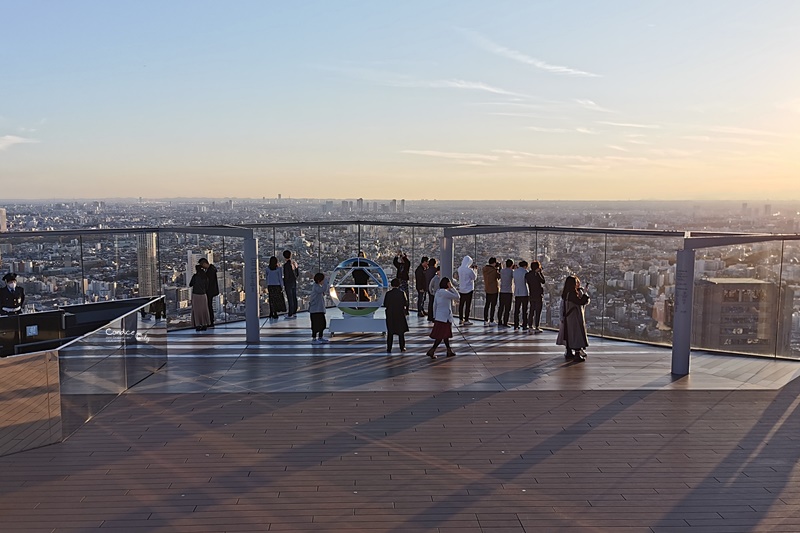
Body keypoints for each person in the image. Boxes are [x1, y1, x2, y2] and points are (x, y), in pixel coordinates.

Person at [556, 275, 590, 362]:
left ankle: (569, 351)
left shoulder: (566, 294)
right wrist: (585, 293)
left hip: (567, 317)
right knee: (576, 334)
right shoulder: (573, 294)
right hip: (574, 317)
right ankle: (577, 354)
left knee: (568, 334)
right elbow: (581, 302)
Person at [427, 277, 459, 359]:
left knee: (444, 335)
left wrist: (434, 316)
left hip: (439, 316)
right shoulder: (445, 293)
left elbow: (435, 305)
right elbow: (457, 296)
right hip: (445, 317)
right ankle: (432, 350)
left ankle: (448, 350)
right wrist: (452, 287)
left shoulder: (438, 292)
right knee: (442, 335)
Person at [384, 278, 409, 353]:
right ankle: (402, 347)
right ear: (399, 285)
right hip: (399, 314)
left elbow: (385, 304)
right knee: (401, 332)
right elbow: (406, 303)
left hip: (390, 314)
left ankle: (389, 348)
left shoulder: (388, 294)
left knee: (390, 332)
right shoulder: (402, 293)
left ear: (391, 285)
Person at [309, 272, 330, 344]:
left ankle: (320, 337)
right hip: (315, 310)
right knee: (316, 325)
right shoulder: (316, 287)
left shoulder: (317, 286)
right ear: (319, 280)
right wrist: (326, 282)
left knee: (322, 324)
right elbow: (323, 289)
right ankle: (314, 339)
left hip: (318, 310)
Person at [189, 265, 211, 331]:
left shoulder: (195, 277)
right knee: (204, 310)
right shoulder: (206, 277)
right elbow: (207, 287)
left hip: (196, 295)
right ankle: (205, 324)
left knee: (196, 311)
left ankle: (198, 325)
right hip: (203, 295)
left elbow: (190, 284)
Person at [526, 261, 546, 333]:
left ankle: (530, 325)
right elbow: (543, 281)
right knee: (538, 311)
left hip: (531, 294)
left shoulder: (528, 275)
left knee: (531, 310)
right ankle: (537, 326)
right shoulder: (537, 274)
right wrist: (540, 273)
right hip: (538, 295)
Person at [456, 255, 477, 326]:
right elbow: (474, 278)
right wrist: (475, 270)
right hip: (469, 289)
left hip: (461, 289)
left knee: (461, 305)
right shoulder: (469, 270)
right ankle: (466, 319)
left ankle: (460, 319)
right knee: (468, 305)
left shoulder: (459, 269)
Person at [198, 258, 219, 327]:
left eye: (202, 265)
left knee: (209, 306)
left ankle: (210, 321)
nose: (202, 266)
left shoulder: (210, 271)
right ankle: (209, 321)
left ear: (204, 263)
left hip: (209, 291)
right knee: (209, 306)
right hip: (211, 290)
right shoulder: (212, 269)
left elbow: (208, 281)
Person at [482, 257, 500, 325]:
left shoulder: (485, 269)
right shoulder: (494, 270)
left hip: (487, 289)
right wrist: (498, 268)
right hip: (494, 290)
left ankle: (485, 320)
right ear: (494, 263)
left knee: (487, 305)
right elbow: (499, 277)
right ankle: (492, 320)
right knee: (493, 306)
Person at [513, 260, 530, 330]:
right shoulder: (525, 272)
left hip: (517, 292)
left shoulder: (515, 272)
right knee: (524, 310)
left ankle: (516, 324)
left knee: (517, 310)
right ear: (525, 266)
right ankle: (524, 324)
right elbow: (527, 281)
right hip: (524, 292)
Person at [282, 250, 299, 319]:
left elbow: (286, 276)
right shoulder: (294, 263)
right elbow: (297, 273)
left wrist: (284, 282)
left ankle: (290, 314)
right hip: (294, 281)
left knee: (290, 298)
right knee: (294, 297)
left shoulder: (286, 265)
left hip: (288, 283)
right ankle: (294, 312)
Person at [498, 259, 514, 327]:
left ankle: (499, 321)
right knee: (507, 308)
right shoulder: (511, 271)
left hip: (502, 291)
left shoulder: (502, 271)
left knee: (501, 307)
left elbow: (500, 271)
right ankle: (505, 322)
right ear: (511, 265)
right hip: (508, 292)